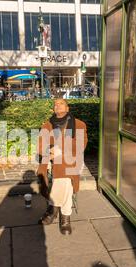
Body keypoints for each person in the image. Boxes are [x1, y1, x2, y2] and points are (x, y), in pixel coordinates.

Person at [37, 99, 88, 235]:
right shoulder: (47, 126)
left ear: (67, 107)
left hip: (74, 160)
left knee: (66, 166)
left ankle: (53, 209)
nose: (57, 105)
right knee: (65, 175)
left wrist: (59, 149)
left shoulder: (79, 125)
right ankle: (65, 217)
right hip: (53, 161)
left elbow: (80, 145)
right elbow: (41, 147)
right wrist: (54, 151)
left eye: (61, 103)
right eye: (55, 104)